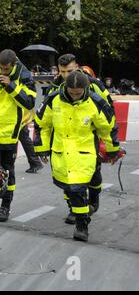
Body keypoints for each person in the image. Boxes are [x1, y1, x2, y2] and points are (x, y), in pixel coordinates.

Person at [34, 71, 120, 242]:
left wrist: (112, 152)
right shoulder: (53, 99)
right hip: (61, 153)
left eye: (78, 93)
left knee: (77, 189)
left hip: (85, 153)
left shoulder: (96, 103)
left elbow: (108, 128)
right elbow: (42, 125)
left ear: (85, 89)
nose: (74, 97)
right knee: (69, 189)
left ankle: (82, 226)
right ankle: (79, 211)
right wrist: (42, 149)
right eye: (71, 93)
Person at [48, 54, 115, 224]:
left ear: (77, 67)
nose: (66, 75)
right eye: (62, 71)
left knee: (93, 174)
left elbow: (108, 109)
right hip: (64, 138)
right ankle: (74, 209)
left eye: (69, 71)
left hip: (90, 136)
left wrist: (108, 142)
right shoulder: (55, 85)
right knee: (66, 175)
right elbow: (49, 110)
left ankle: (93, 200)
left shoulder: (94, 84)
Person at [0, 49, 37, 222]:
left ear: (13, 65)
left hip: (8, 132)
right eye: (1, 68)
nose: (3, 71)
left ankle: (6, 206)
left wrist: (10, 85)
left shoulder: (23, 74)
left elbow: (29, 101)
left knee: (7, 171)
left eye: (7, 69)